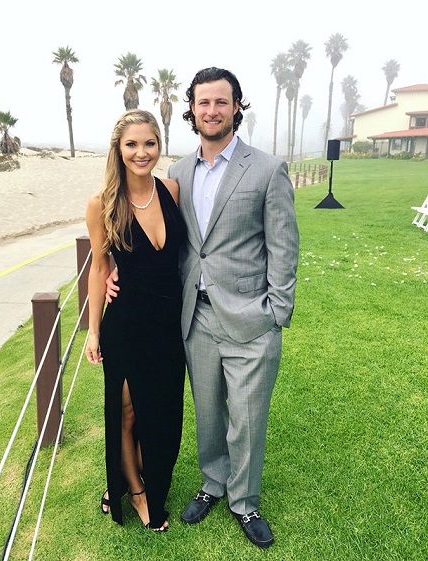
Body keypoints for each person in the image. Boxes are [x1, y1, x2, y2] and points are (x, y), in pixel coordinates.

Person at [106, 67, 299, 548]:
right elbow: (162, 241)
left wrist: (276, 310)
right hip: (193, 318)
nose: (211, 111)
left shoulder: (267, 169)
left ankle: (245, 500)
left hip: (251, 317)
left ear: (237, 107)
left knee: (248, 417)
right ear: (191, 109)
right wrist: (115, 273)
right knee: (209, 414)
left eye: (221, 102)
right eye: (203, 103)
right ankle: (213, 484)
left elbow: (284, 246)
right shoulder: (176, 175)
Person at [85, 109, 186, 533]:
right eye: (132, 144)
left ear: (158, 146)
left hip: (168, 326)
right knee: (126, 414)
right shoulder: (102, 204)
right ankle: (136, 491)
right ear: (118, 149)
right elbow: (98, 267)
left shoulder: (172, 190)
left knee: (162, 414)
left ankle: (124, 477)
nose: (141, 152)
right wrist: (92, 329)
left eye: (149, 143)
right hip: (126, 324)